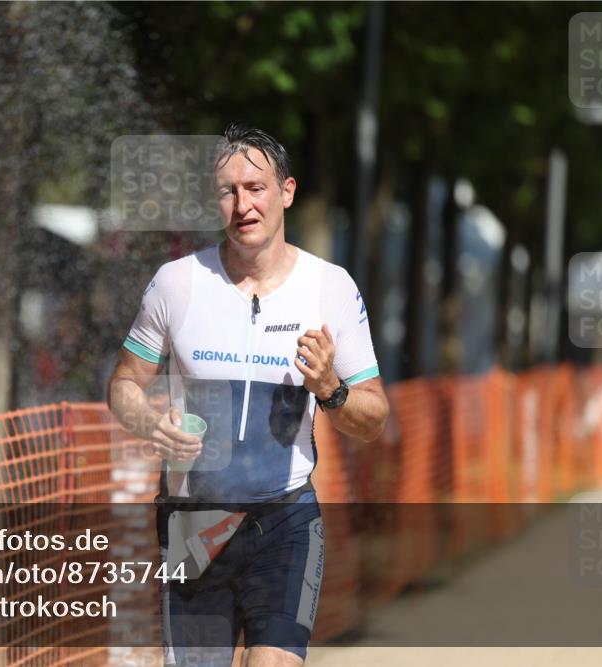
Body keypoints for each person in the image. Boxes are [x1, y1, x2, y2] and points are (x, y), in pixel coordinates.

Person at [106, 123, 390, 666]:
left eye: (256, 188)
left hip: (284, 519)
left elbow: (373, 416)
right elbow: (123, 383)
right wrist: (149, 423)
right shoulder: (177, 283)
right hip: (194, 525)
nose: (243, 206)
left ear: (286, 191)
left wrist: (330, 390)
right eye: (228, 191)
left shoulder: (330, 287)